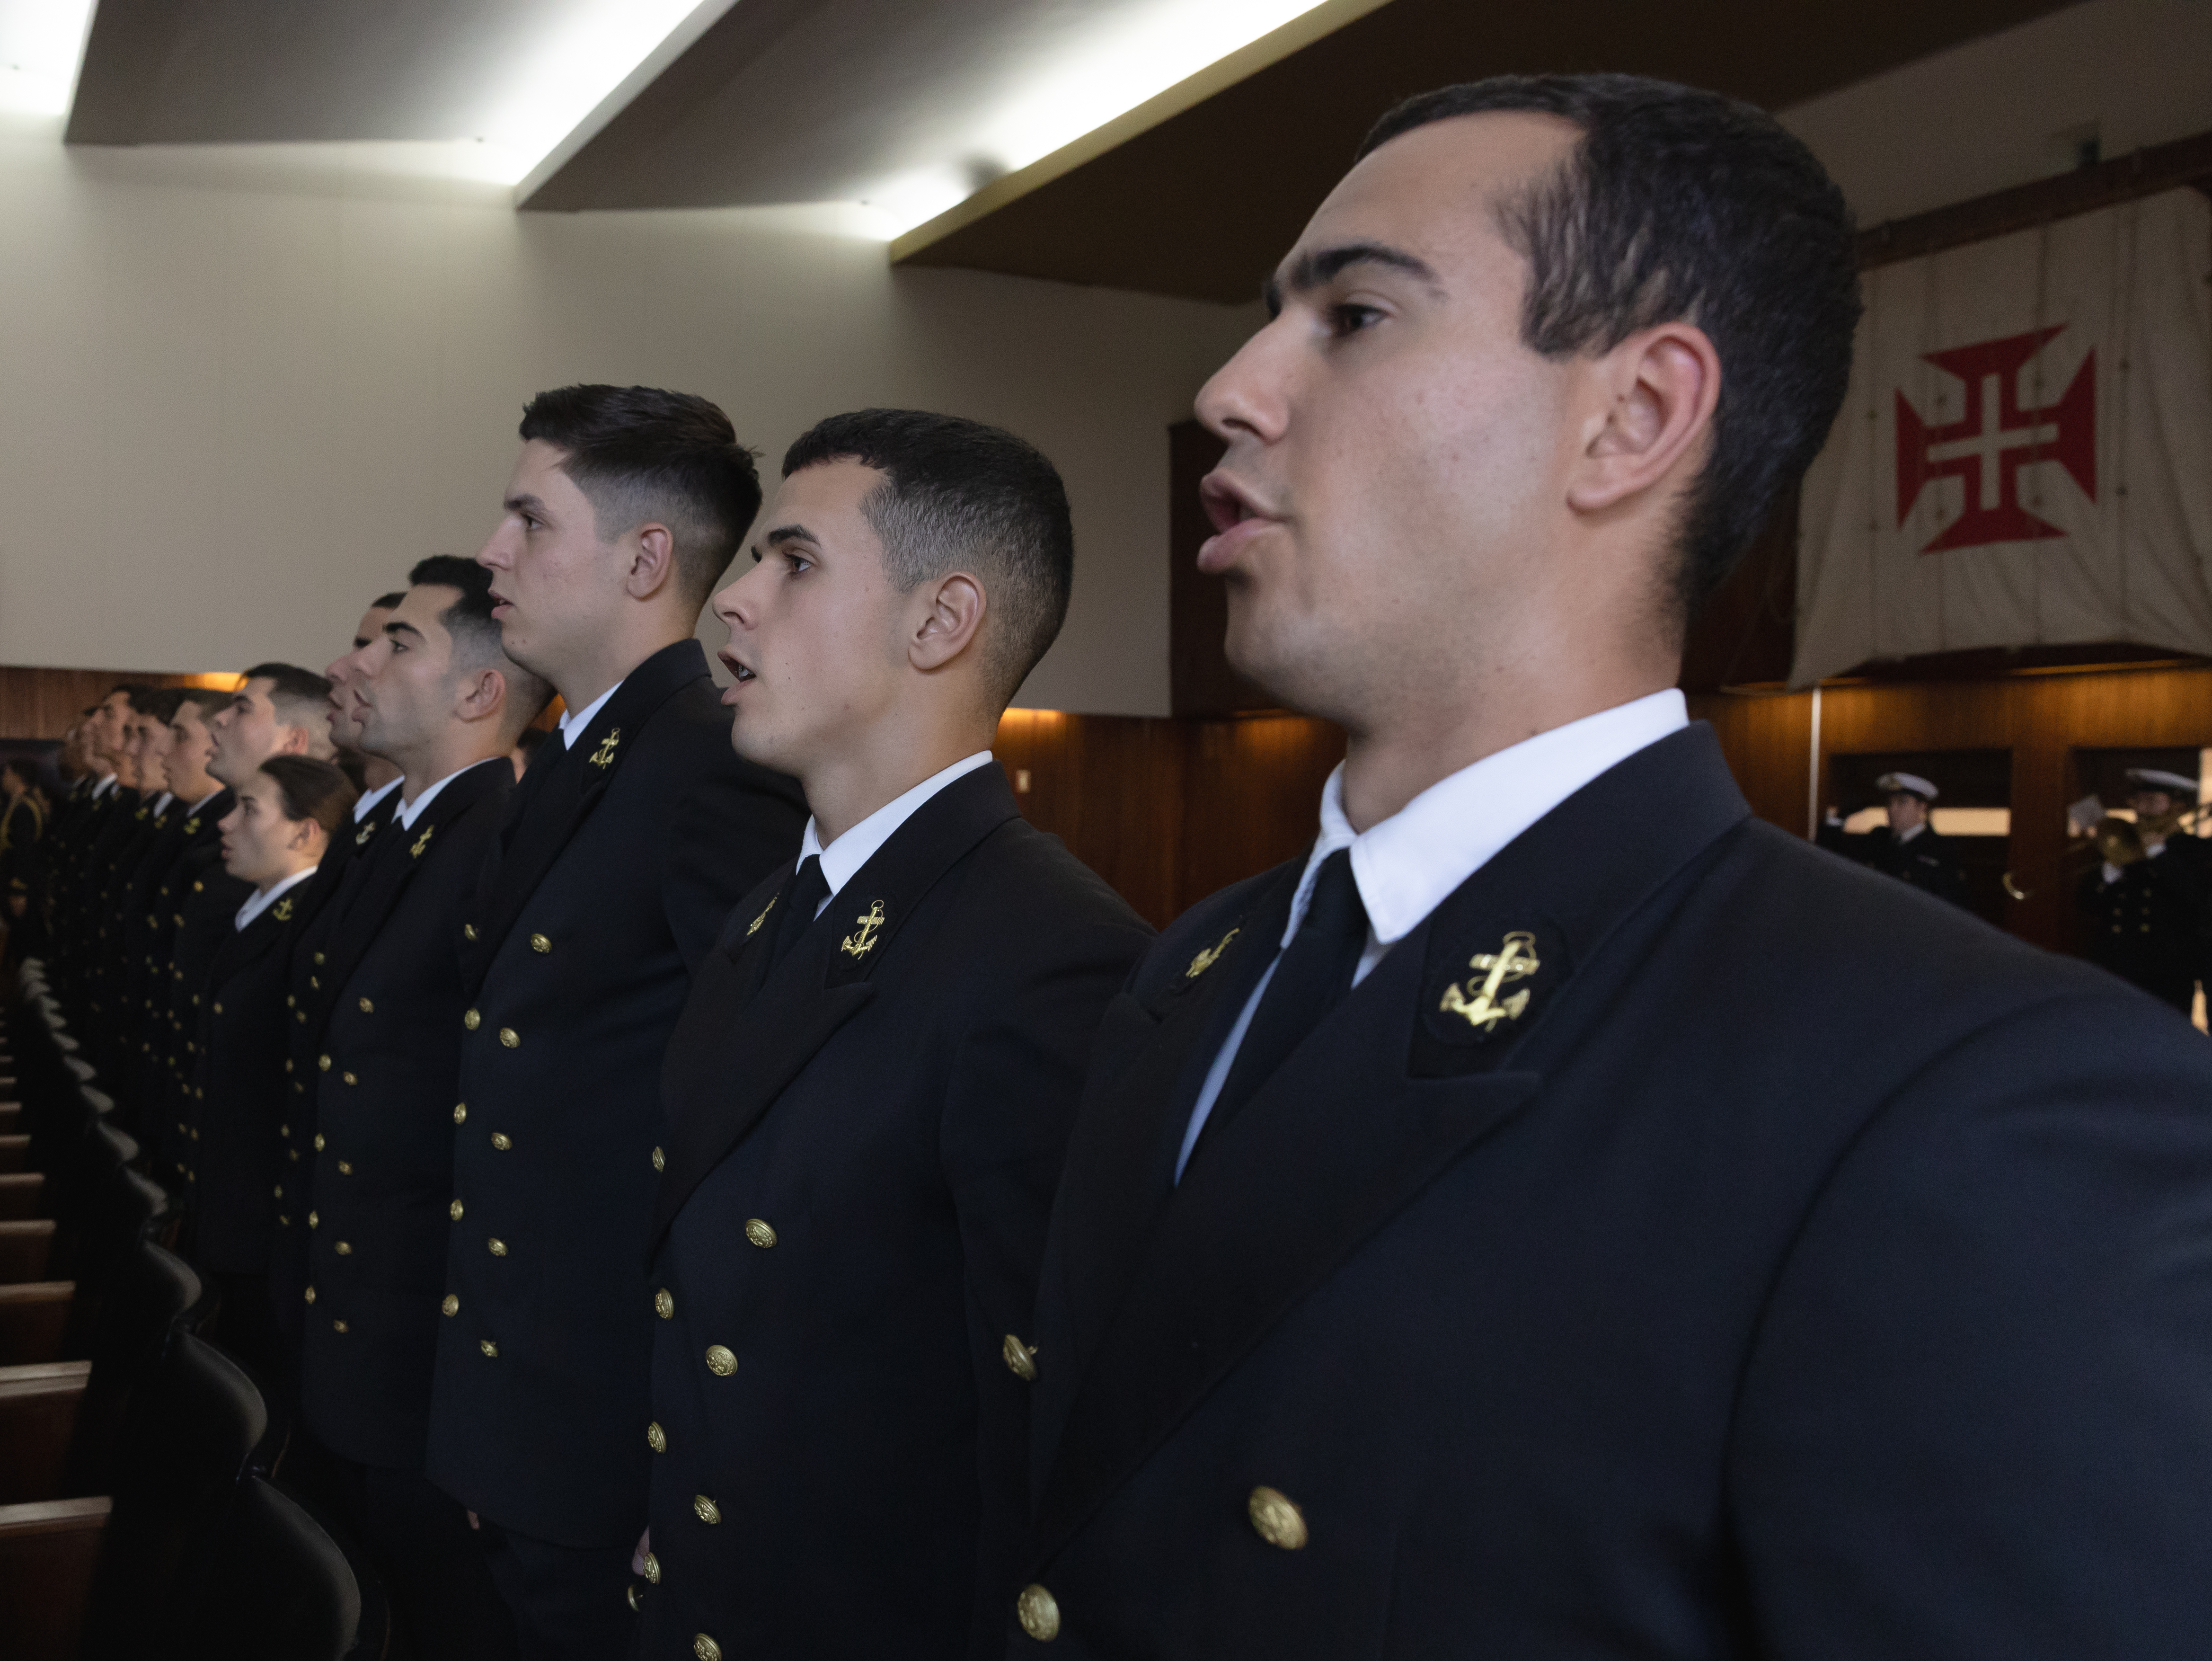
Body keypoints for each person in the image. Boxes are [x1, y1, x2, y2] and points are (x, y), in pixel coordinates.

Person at [1006, 74, 2212, 1658]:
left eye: (1353, 316)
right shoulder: (1195, 974)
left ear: (1632, 418)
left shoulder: (1967, 1098)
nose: (1231, 387)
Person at [635, 411, 1152, 1660]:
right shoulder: (769, 913)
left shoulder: (1051, 956)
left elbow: (1046, 1449)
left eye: (793, 561)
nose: (734, 606)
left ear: (940, 622)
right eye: (751, 561)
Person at [427, 383, 806, 1660]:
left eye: (531, 519)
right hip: (523, 1403)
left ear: (646, 557)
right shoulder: (586, 756)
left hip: (605, 1438)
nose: (493, 552)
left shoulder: (707, 760)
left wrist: (691, 1464)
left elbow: (751, 1125)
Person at [294, 557, 548, 1661]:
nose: (354, 663)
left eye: (399, 646)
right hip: (353, 1333)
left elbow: (507, 1142)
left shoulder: (496, 842)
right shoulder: (393, 828)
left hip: (420, 1365)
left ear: (479, 693)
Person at [188, 754, 355, 1379]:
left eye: (249, 808)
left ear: (305, 831)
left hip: (263, 1223)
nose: (225, 823)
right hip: (230, 1208)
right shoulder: (260, 914)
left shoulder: (305, 928)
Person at [2076, 767, 2208, 1015]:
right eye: (2137, 801)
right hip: (2113, 965)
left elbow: (2196, 899)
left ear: (2178, 807)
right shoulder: (2121, 845)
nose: (2141, 809)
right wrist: (2111, 870)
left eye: (2152, 801)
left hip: (2167, 972)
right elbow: (2085, 903)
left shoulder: (2195, 850)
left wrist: (2159, 855)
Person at [1816, 770, 1968, 906]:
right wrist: (1838, 820)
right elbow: (1834, 860)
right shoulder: (1878, 838)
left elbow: (1952, 903)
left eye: (1902, 802)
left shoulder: (1940, 848)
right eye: (1889, 802)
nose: (1892, 809)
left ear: (1921, 807)